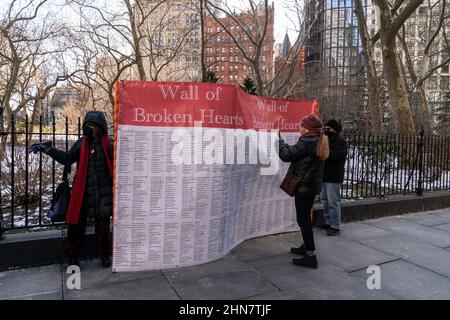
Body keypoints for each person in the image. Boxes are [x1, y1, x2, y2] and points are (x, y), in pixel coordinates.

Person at [30, 111, 113, 268]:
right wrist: (49, 150)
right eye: (88, 125)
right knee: (76, 227)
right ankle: (73, 257)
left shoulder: (108, 144)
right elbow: (68, 158)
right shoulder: (82, 144)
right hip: (84, 192)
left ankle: (105, 255)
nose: (91, 128)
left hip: (103, 192)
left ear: (100, 127)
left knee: (103, 227)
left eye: (94, 125)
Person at [279, 114, 329, 269]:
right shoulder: (319, 140)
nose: (299, 128)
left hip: (304, 188)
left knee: (303, 220)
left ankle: (310, 255)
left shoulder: (307, 142)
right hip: (312, 186)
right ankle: (305, 246)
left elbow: (286, 155)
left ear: (307, 128)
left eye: (301, 125)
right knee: (305, 218)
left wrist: (279, 141)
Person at [320, 119, 347, 236]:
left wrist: (326, 151)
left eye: (328, 128)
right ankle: (328, 221)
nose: (326, 130)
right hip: (324, 175)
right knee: (324, 200)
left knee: (333, 201)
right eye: (325, 128)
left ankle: (335, 225)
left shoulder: (340, 141)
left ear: (334, 129)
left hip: (334, 176)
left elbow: (338, 155)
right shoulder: (325, 139)